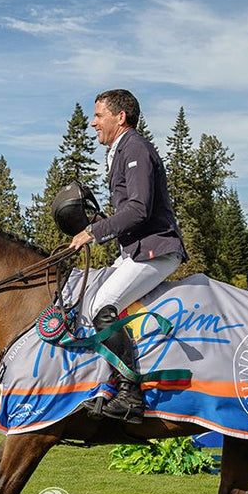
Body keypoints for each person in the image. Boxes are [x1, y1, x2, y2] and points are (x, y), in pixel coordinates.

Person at [67, 88, 188, 423]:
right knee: (90, 300)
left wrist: (94, 232)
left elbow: (138, 209)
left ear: (120, 117)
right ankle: (106, 386)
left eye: (99, 115)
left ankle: (131, 396)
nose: (93, 123)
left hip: (155, 250)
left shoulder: (134, 147)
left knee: (101, 305)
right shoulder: (121, 151)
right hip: (135, 251)